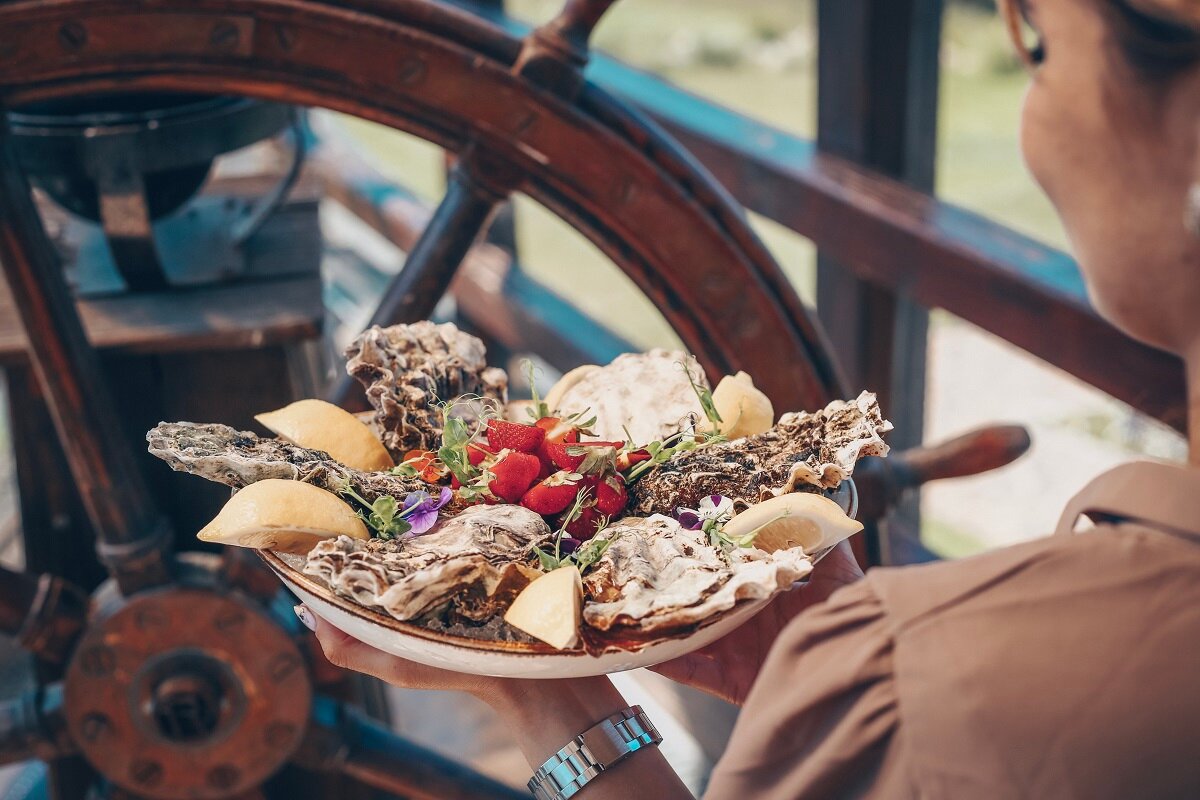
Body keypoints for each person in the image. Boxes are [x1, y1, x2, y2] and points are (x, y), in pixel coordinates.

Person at [293, 0, 1200, 796]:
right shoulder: (1026, 656)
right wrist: (834, 679)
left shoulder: (949, 689)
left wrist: (548, 704)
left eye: (1039, 46)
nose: (1031, 118)